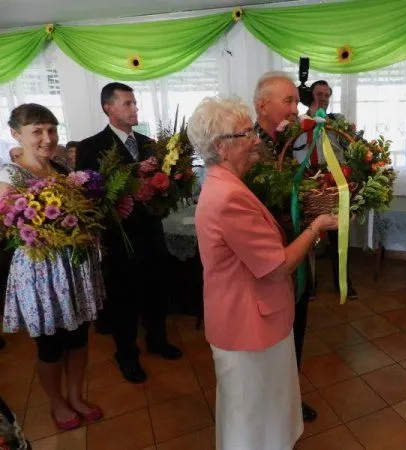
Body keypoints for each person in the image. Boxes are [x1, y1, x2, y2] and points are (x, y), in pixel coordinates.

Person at [191, 97, 337, 450]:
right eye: (246, 134)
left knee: (255, 412)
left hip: (245, 318)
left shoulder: (224, 183)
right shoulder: (229, 196)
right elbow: (277, 267)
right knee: (253, 418)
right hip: (248, 324)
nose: (256, 139)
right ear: (221, 147)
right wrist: (316, 227)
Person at [0, 104, 105, 430]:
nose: (48, 138)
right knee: (51, 346)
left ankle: (75, 396)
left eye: (52, 129)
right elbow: (10, 229)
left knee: (79, 338)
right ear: (16, 134)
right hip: (41, 274)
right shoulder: (9, 176)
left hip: (73, 268)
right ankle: (57, 403)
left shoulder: (60, 167)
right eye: (37, 131)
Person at [76, 82, 181, 384]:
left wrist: (168, 186)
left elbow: (166, 185)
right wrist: (132, 177)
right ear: (108, 108)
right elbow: (91, 194)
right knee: (124, 300)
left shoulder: (150, 143)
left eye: (135, 103)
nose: (135, 108)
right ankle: (127, 355)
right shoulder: (91, 147)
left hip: (153, 232)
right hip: (120, 237)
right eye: (127, 103)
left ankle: (157, 340)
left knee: (156, 291)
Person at [253, 71, 317, 421]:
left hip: (295, 253)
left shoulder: (285, 143)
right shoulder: (249, 148)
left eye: (296, 101)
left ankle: (288, 397)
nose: (296, 109)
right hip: (271, 262)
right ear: (262, 105)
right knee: (274, 336)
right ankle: (272, 405)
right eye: (288, 101)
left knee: (296, 328)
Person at [306, 80, 358, 299]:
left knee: (339, 235)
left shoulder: (337, 122)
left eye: (327, 95)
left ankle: (343, 282)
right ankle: (309, 284)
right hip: (309, 184)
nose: (323, 99)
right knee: (307, 237)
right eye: (319, 94)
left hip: (336, 184)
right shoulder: (300, 123)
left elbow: (352, 146)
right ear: (311, 96)